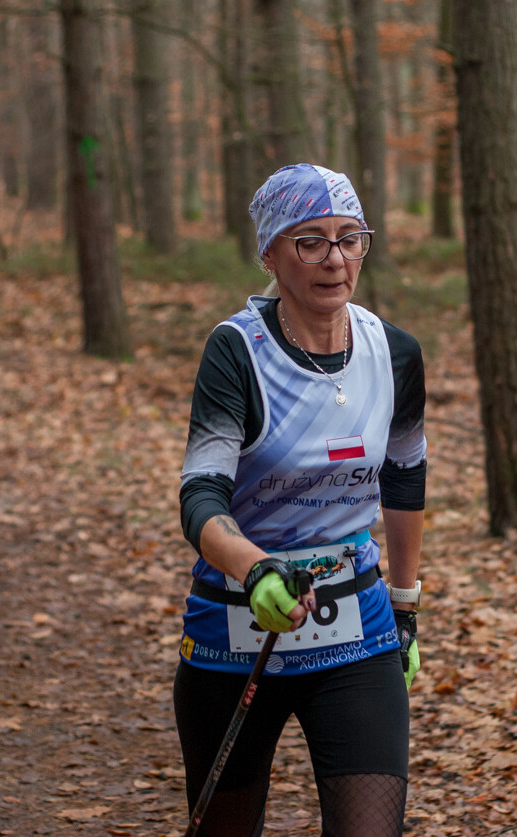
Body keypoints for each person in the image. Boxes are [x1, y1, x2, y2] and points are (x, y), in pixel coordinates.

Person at [173, 163, 428, 836]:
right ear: (270, 253)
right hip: (235, 633)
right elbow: (200, 494)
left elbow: (404, 476)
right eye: (309, 241)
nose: (334, 258)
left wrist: (405, 603)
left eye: (349, 237)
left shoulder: (395, 352)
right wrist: (255, 566)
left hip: (358, 630)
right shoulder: (236, 353)